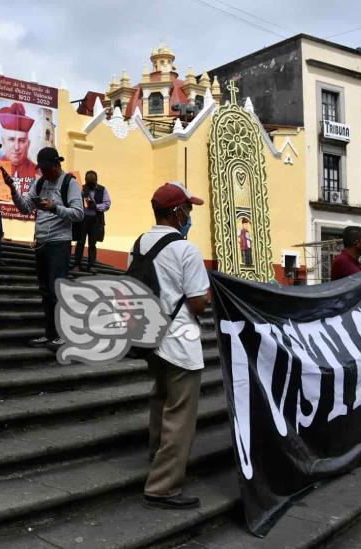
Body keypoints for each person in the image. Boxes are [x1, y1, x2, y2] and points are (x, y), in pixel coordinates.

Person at [135, 181, 210, 510]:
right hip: (180, 341)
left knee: (160, 403)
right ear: (177, 212)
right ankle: (163, 487)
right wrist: (206, 295)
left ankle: (157, 461)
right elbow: (197, 304)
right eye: (188, 209)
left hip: (152, 338)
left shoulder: (140, 243)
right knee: (180, 415)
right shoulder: (185, 249)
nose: (190, 215)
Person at [2, 147, 84, 350]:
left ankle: (62, 335)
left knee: (58, 291)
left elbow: (79, 213)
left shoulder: (69, 183)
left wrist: (54, 207)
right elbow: (24, 208)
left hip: (59, 243)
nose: (45, 174)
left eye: (48, 170)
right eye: (43, 170)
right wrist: (13, 189)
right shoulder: (39, 183)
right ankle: (50, 334)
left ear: (57, 165)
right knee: (46, 291)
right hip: (41, 243)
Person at [72, 170, 111, 273]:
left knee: (92, 244)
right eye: (89, 183)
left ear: (96, 181)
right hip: (82, 220)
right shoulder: (81, 189)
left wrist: (96, 206)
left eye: (93, 183)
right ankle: (77, 265)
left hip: (95, 221)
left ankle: (92, 265)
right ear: (85, 181)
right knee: (80, 243)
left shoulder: (102, 190)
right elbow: (74, 202)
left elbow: (107, 204)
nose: (91, 185)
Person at [0, 102, 38, 179]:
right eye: (11, 139)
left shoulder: (38, 173)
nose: (16, 147)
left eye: (22, 141)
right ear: (3, 142)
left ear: (28, 144)